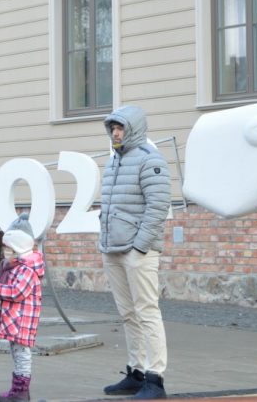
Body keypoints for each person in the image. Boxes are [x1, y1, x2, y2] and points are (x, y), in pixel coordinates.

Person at [99, 105, 170, 399]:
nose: (116, 133)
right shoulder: (114, 161)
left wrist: (140, 246)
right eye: (113, 129)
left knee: (147, 312)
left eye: (121, 128)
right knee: (128, 314)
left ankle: (155, 378)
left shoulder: (150, 160)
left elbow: (158, 207)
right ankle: (136, 371)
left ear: (134, 129)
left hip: (137, 251)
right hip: (112, 248)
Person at [0, 214, 44, 402]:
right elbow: (1, 288)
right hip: (14, 319)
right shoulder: (13, 266)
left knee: (22, 354)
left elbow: (16, 292)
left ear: (19, 246)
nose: (5, 251)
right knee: (17, 353)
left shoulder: (27, 269)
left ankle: (21, 391)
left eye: (8, 247)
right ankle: (18, 391)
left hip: (22, 320)